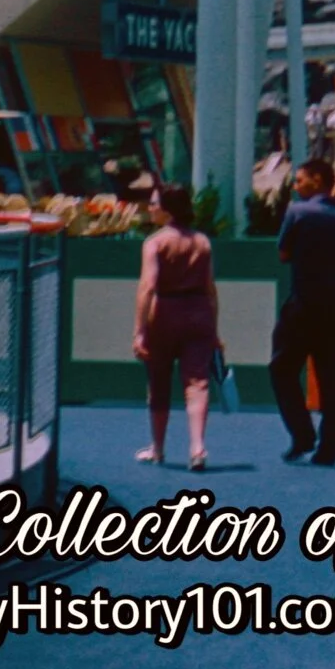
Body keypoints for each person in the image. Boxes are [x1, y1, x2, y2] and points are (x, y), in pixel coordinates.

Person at [271, 156, 335, 466]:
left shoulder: (297, 211)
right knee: (333, 378)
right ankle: (329, 447)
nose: (296, 186)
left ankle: (302, 433)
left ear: (317, 180)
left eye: (300, 180)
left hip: (303, 302)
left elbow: (283, 253)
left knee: (282, 368)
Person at [132, 184, 219, 472]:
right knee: (197, 383)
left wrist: (140, 328)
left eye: (155, 203)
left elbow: (148, 286)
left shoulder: (155, 242)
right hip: (198, 313)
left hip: (165, 313)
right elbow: (210, 288)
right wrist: (214, 328)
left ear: (168, 208)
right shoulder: (202, 242)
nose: (150, 207)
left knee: (159, 383)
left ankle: (158, 448)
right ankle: (197, 446)